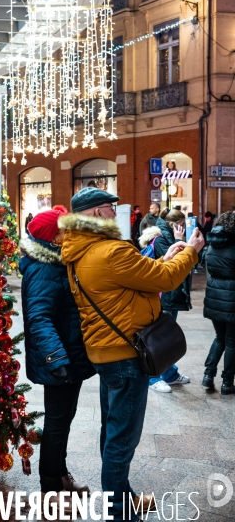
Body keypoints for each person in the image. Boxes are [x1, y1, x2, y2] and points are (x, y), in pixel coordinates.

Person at [60, 187, 204, 522]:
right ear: (97, 214)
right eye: (111, 207)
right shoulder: (110, 250)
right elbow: (166, 280)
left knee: (112, 431)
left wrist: (163, 259)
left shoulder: (80, 250)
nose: (116, 212)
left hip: (104, 350)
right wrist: (191, 252)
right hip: (125, 353)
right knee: (122, 440)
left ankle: (124, 499)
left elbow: (134, 279)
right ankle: (119, 513)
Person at [19, 206, 94, 512]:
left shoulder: (58, 260)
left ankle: (60, 475)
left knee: (62, 420)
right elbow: (39, 317)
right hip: (59, 360)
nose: (70, 232)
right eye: (65, 229)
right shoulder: (44, 268)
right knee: (57, 423)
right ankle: (51, 487)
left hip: (68, 356)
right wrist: (56, 357)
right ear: (53, 237)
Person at [148, 208, 192, 393]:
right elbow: (173, 263)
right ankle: (153, 377)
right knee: (161, 336)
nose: (183, 228)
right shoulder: (159, 239)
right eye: (181, 225)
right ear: (173, 224)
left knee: (168, 335)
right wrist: (179, 240)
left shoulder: (167, 237)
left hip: (172, 293)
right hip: (164, 294)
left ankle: (169, 374)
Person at [203, 212, 235, 395]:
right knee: (231, 342)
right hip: (231, 297)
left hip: (214, 295)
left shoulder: (213, 243)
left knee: (219, 338)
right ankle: (227, 382)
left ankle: (208, 375)